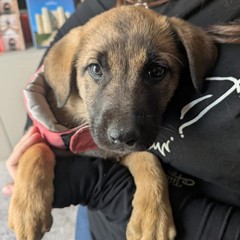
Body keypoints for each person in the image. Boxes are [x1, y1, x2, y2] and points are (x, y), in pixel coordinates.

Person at [3, 0, 240, 239]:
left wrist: (100, 186)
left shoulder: (190, 34)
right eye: (96, 69)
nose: (123, 127)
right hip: (97, 225)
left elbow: (134, 156)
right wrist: (34, 158)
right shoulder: (97, 11)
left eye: (156, 72)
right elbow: (41, 103)